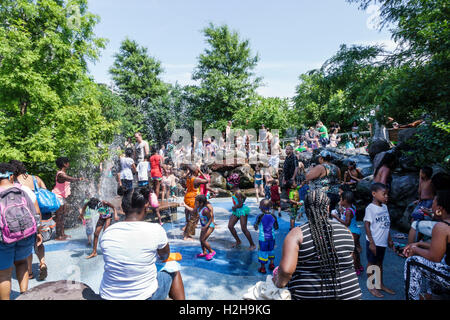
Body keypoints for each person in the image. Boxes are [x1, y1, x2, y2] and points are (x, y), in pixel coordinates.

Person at [272, 189, 362, 300]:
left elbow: (285, 271)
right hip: (350, 295)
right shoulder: (346, 231)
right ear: (328, 208)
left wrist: (278, 282)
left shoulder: (296, 235)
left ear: (305, 209)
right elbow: (350, 261)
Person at [99, 188, 185, 300]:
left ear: (123, 207)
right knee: (172, 266)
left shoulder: (108, 232)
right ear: (146, 205)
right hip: (143, 297)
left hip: (108, 296)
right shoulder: (155, 230)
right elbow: (165, 256)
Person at [0, 163, 42, 300]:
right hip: (25, 234)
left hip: (4, 237)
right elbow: (35, 212)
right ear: (11, 176)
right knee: (22, 262)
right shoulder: (22, 190)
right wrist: (39, 232)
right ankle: (24, 295)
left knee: (4, 273)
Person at [403, 190, 450, 300]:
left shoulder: (442, 227)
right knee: (433, 261)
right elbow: (442, 248)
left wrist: (414, 248)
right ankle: (433, 294)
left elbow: (434, 257)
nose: (431, 205)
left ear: (439, 208)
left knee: (412, 262)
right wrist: (420, 244)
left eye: (433, 202)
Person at [8, 160, 49, 281]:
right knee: (39, 241)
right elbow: (45, 191)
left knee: (27, 247)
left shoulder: (11, 185)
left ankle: (29, 272)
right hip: (37, 215)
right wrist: (39, 227)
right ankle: (42, 263)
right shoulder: (34, 179)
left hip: (21, 220)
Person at [364, 183, 395, 298]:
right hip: (374, 242)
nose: (386, 196)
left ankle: (380, 284)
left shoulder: (385, 207)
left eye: (387, 194)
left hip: (382, 242)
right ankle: (371, 286)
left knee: (380, 263)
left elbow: (386, 224)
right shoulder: (370, 208)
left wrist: (390, 239)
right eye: (384, 194)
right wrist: (371, 242)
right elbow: (366, 225)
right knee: (372, 264)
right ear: (374, 194)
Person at [52, 157, 85, 241]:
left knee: (62, 216)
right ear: (64, 164)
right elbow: (69, 179)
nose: (68, 164)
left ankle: (62, 234)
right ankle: (58, 236)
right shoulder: (60, 174)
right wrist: (79, 179)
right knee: (59, 216)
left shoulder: (63, 173)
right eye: (67, 162)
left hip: (62, 197)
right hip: (57, 197)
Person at [332, 191, 363, 275]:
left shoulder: (348, 211)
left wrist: (336, 217)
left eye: (341, 199)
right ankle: (359, 266)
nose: (340, 201)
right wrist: (343, 211)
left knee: (352, 252)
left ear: (345, 201)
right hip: (356, 231)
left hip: (352, 232)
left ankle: (355, 269)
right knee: (355, 250)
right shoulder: (352, 207)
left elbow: (346, 223)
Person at [183, 195, 216, 261]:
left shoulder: (205, 210)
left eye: (196, 202)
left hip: (210, 226)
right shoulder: (198, 208)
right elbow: (192, 210)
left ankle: (211, 251)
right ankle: (204, 252)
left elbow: (210, 219)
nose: (195, 203)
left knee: (203, 240)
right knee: (201, 239)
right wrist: (184, 205)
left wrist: (206, 226)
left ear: (201, 203)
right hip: (204, 226)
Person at [228, 180, 256, 250]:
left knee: (243, 228)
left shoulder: (238, 193)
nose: (229, 185)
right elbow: (244, 197)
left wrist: (234, 207)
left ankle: (252, 244)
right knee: (230, 226)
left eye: (230, 184)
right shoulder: (236, 191)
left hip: (242, 210)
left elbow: (240, 205)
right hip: (237, 210)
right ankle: (238, 241)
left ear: (234, 185)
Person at [183, 165, 208, 241]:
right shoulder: (196, 179)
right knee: (194, 217)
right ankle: (187, 236)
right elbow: (206, 180)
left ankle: (186, 233)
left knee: (191, 217)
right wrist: (201, 172)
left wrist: (191, 171)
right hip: (193, 199)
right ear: (195, 171)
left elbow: (184, 178)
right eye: (197, 170)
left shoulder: (188, 178)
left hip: (187, 197)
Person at [254, 199, 279, 274]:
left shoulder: (260, 216)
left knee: (263, 252)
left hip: (263, 239)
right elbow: (276, 227)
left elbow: (255, 227)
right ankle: (271, 264)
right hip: (272, 238)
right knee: (271, 250)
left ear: (261, 208)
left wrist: (256, 226)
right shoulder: (273, 216)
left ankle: (262, 268)